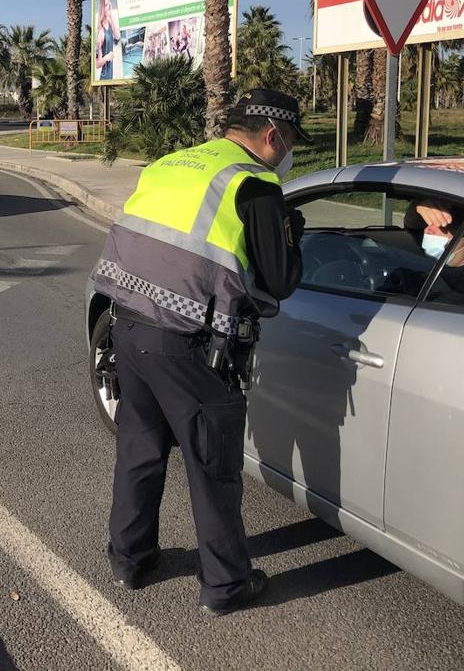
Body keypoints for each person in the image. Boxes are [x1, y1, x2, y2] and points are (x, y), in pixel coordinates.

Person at [93, 88, 309, 616]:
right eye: (290, 145)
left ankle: (129, 559)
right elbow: (280, 281)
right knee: (212, 468)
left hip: (126, 328)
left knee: (139, 450)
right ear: (271, 136)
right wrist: (292, 235)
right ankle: (225, 584)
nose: (288, 155)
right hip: (189, 345)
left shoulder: (171, 164)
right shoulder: (254, 184)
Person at [95, 0, 121, 81]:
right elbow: (97, 64)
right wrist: (106, 57)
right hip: (105, 76)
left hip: (110, 75)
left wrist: (111, 17)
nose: (108, 7)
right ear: (102, 8)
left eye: (109, 4)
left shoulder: (110, 23)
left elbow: (117, 36)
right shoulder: (101, 31)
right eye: (106, 5)